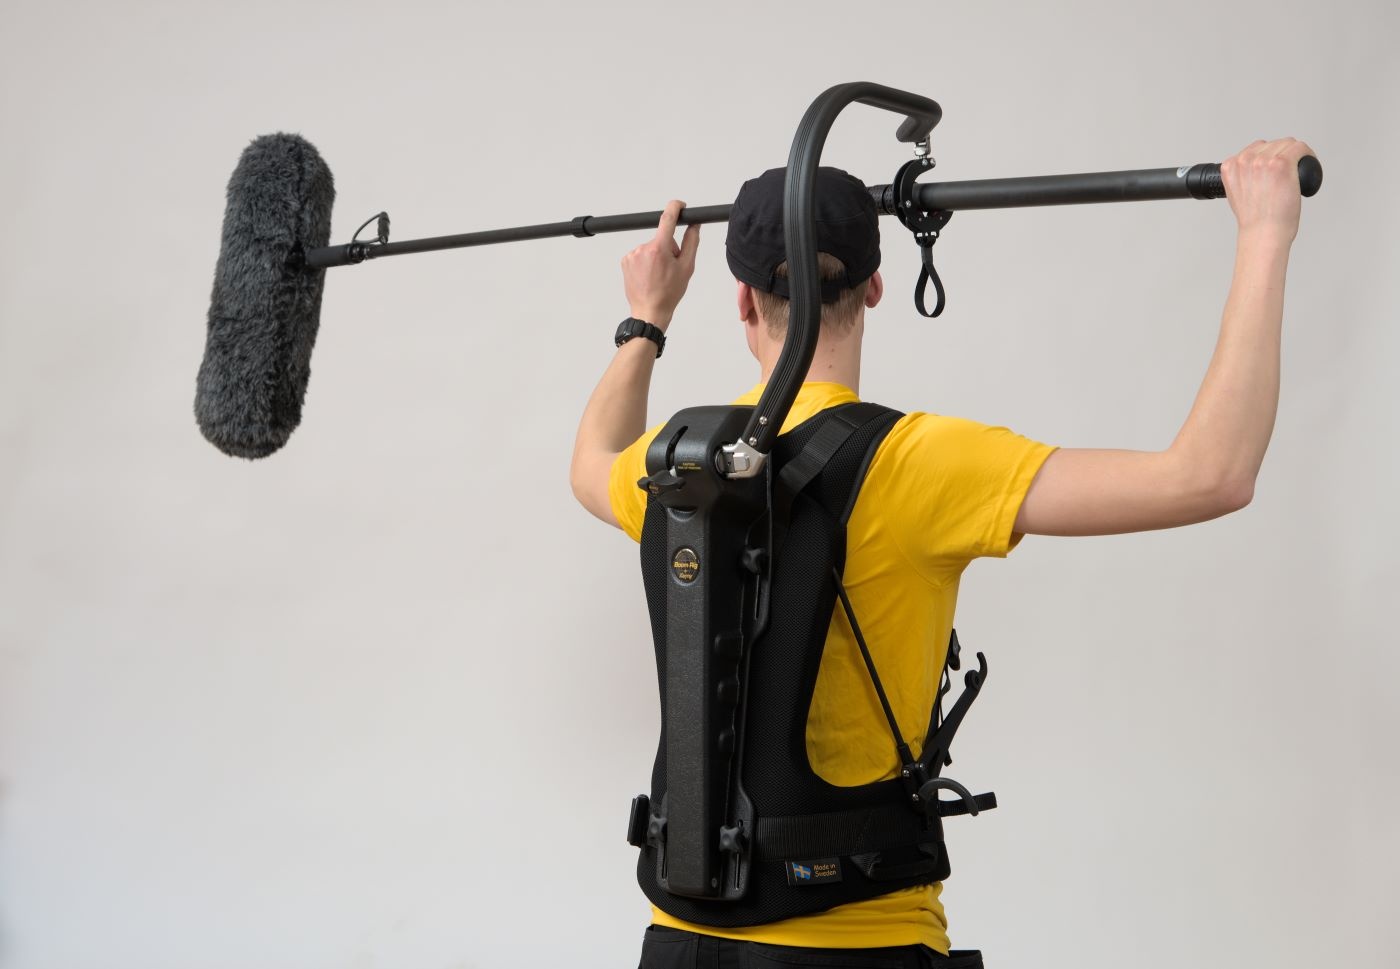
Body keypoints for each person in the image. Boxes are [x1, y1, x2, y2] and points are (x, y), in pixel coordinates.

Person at [570, 138, 1314, 969]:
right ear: (874, 286)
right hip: (860, 943)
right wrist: (1265, 232)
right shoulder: (919, 462)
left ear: (742, 299)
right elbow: (1209, 475)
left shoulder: (672, 466)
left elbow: (588, 463)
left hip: (676, 943)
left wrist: (647, 318)